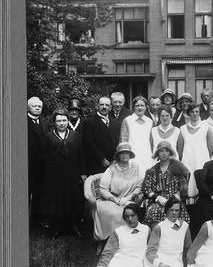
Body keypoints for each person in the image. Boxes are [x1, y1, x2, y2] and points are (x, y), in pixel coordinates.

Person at [40, 108, 87, 237]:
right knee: (57, 200)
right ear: (54, 122)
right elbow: (43, 156)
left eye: (64, 120)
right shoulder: (49, 137)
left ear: (68, 121)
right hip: (55, 176)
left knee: (73, 199)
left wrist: (83, 173)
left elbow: (81, 155)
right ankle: (57, 226)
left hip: (72, 174)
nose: (61, 123)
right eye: (59, 120)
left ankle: (74, 225)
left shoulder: (75, 136)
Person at [94, 143, 143, 241]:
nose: (125, 155)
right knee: (113, 213)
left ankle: (128, 239)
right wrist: (115, 200)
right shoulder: (111, 170)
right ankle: (111, 239)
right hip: (112, 200)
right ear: (118, 156)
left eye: (127, 153)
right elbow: (103, 189)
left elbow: (139, 186)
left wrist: (128, 198)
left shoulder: (136, 167)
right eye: (122, 153)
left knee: (129, 212)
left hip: (129, 200)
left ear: (130, 155)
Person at [141, 141, 190, 229]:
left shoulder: (178, 168)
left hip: (175, 199)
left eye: (166, 151)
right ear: (157, 154)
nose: (164, 153)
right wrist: (157, 197)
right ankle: (156, 237)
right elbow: (146, 188)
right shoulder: (152, 171)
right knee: (154, 210)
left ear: (169, 153)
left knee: (177, 210)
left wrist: (175, 198)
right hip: (158, 201)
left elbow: (183, 189)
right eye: (161, 151)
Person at [179, 103, 212, 211]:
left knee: (202, 186)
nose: (194, 114)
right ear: (188, 113)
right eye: (192, 112)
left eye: (196, 111)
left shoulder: (206, 127)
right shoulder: (183, 129)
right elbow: (180, 148)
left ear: (200, 113)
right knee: (189, 188)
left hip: (202, 161)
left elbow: (211, 147)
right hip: (188, 161)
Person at [146, 196, 192, 267]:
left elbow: (188, 249)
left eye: (176, 210)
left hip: (178, 264)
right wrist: (159, 264)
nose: (174, 213)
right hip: (162, 263)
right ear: (166, 210)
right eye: (171, 210)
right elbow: (150, 252)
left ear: (180, 212)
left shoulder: (185, 226)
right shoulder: (159, 228)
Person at [120, 96, 155, 175]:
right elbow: (123, 142)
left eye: (142, 106)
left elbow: (152, 142)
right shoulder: (127, 121)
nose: (140, 108)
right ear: (133, 107)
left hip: (147, 156)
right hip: (132, 156)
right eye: (137, 106)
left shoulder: (150, 122)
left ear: (146, 107)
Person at [83, 96, 117, 175]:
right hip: (96, 165)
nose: (104, 107)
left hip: (114, 165)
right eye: (102, 104)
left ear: (110, 107)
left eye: (107, 105)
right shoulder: (89, 122)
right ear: (97, 106)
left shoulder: (116, 123)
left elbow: (117, 141)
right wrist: (102, 159)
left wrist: (115, 159)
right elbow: (89, 143)